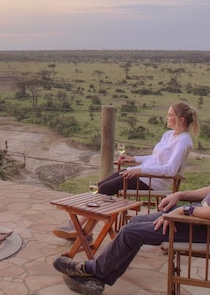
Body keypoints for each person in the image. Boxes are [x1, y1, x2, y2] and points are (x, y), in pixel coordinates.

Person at [52, 104, 210, 295]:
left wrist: (186, 212)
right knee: (131, 225)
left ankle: (92, 272)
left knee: (132, 233)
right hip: (203, 217)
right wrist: (181, 196)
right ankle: (97, 278)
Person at [52, 101, 198, 240]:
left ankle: (78, 227)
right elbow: (155, 158)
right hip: (144, 174)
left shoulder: (183, 141)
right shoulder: (168, 135)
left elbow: (171, 170)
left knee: (105, 188)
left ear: (182, 119)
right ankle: (85, 231)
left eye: (170, 115)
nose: (167, 117)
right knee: (101, 185)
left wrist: (140, 170)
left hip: (154, 181)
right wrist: (133, 159)